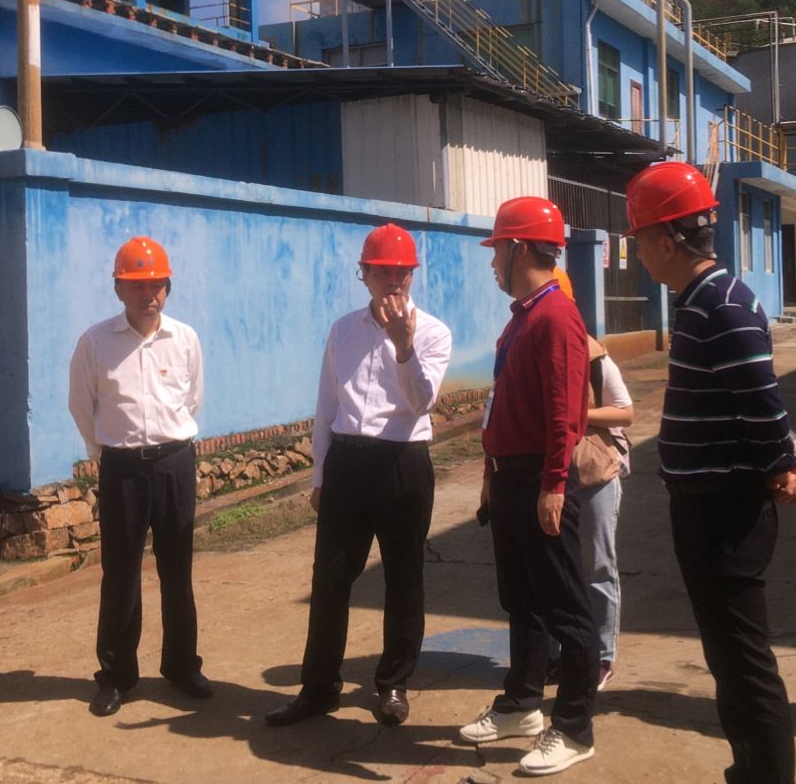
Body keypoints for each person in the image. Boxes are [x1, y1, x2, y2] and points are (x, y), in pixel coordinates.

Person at [628, 161, 796, 784]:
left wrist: (780, 468)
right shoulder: (702, 302)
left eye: (639, 240)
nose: (637, 254)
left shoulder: (722, 305)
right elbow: (747, 398)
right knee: (725, 653)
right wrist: (787, 458)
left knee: (743, 657)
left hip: (725, 509)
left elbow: (762, 402)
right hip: (702, 503)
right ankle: (748, 766)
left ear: (667, 241)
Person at [265, 224, 453, 729]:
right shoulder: (343, 330)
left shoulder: (433, 333)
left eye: (402, 273)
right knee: (329, 578)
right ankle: (318, 687)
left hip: (402, 463)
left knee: (403, 576)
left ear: (412, 276)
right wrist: (320, 476)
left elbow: (421, 402)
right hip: (347, 464)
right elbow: (327, 404)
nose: (394, 281)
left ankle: (393, 683)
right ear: (363, 274)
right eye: (383, 272)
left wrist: (404, 348)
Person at [457, 196, 599, 777]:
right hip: (511, 477)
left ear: (518, 249)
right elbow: (504, 406)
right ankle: (521, 704)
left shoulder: (555, 316)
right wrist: (490, 476)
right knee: (523, 600)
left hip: (541, 478)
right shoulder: (523, 316)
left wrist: (554, 484)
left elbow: (566, 412)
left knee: (567, 607)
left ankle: (575, 728)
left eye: (497, 251)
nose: (493, 262)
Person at [68, 236, 212, 717]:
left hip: (174, 464)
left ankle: (181, 665)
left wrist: (168, 445)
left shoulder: (185, 339)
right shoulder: (95, 343)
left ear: (168, 288)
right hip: (123, 470)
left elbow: (192, 400)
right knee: (121, 573)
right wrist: (105, 453)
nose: (149, 294)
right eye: (137, 285)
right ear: (118, 290)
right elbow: (81, 405)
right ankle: (116, 676)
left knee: (178, 569)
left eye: (156, 285)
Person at [573, 333, 634, 692]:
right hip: (545, 472)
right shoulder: (524, 348)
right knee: (559, 567)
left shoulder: (595, 359)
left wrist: (575, 416)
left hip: (595, 470)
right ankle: (561, 652)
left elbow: (625, 412)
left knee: (597, 564)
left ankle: (601, 656)